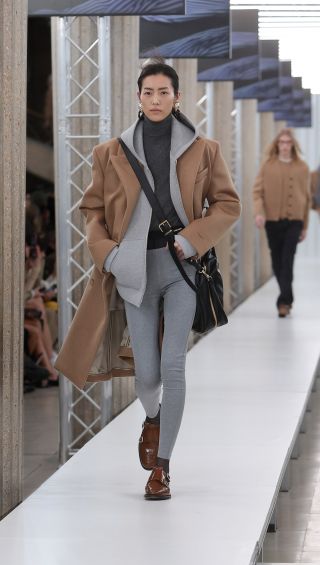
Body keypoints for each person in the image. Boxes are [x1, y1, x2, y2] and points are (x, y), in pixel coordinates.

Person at [55, 61, 241, 500]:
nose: (156, 100)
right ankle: (152, 416)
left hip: (182, 271)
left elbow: (228, 205)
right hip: (133, 271)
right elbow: (93, 213)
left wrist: (192, 241)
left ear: (178, 97)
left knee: (174, 364)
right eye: (148, 92)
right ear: (138, 97)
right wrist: (111, 256)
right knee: (147, 376)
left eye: (164, 92)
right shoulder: (110, 152)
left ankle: (162, 468)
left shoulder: (205, 149)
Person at [253, 128, 311, 317]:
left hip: (294, 221)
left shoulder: (302, 167)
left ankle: (284, 301)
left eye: (288, 142)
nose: (285, 146)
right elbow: (257, 192)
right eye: (282, 142)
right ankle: (287, 297)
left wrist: (305, 226)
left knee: (287, 259)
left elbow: (307, 198)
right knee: (277, 261)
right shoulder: (267, 165)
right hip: (272, 220)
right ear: (277, 145)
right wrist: (259, 213)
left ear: (293, 145)